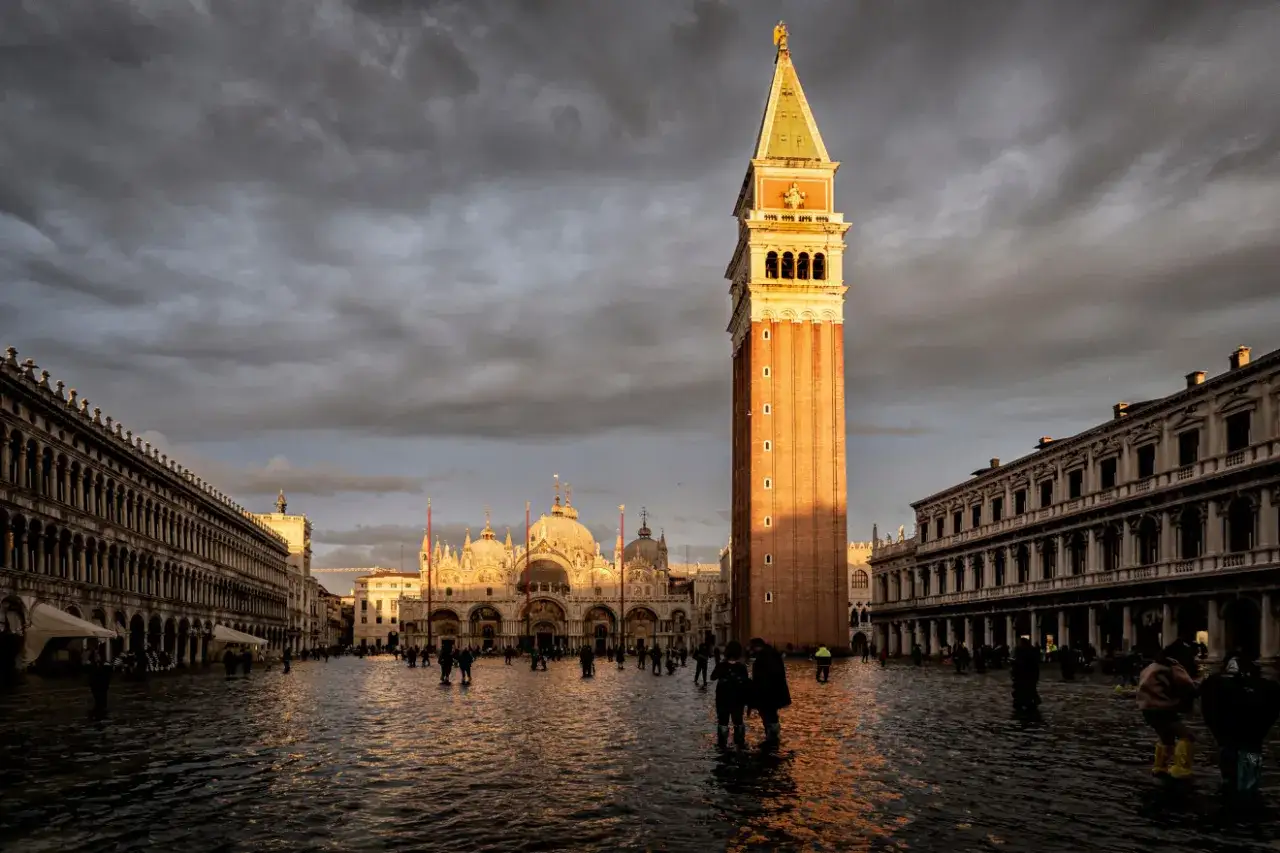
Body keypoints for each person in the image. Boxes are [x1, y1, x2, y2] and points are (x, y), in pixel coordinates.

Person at [1200, 653, 1280, 796]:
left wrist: (1218, 734)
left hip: (1231, 736)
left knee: (1230, 771)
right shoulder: (1267, 686)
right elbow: (1273, 710)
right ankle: (1245, 793)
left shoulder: (1215, 683)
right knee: (1248, 781)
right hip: (1250, 737)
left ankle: (1231, 790)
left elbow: (1208, 709)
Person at [1137, 642, 1199, 778]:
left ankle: (1160, 767)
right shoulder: (1173, 666)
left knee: (1166, 738)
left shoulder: (1152, 666)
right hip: (1163, 708)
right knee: (1187, 736)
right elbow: (1188, 685)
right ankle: (1181, 769)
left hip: (1147, 709)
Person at [747, 637, 791, 747]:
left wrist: (754, 697)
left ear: (756, 647)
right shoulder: (774, 654)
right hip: (777, 692)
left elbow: (759, 679)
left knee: (766, 715)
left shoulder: (762, 659)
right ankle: (774, 736)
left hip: (765, 693)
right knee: (772, 714)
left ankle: (771, 738)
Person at [711, 640, 750, 748]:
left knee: (723, 721)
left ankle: (722, 744)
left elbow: (713, 677)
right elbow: (746, 684)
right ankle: (739, 743)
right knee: (738, 721)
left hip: (723, 698)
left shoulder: (721, 665)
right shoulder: (741, 667)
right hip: (738, 699)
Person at [1011, 636, 1041, 713]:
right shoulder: (1031, 650)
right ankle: (1029, 703)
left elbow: (1019, 664)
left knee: (1023, 690)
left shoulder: (1020, 651)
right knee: (1029, 690)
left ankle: (1024, 704)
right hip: (1029, 676)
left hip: (1023, 675)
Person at [87, 644, 112, 719]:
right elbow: (89, 674)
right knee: (97, 698)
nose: (97, 657)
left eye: (98, 655)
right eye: (95, 655)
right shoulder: (91, 665)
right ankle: (98, 709)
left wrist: (106, 684)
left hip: (103, 684)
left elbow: (108, 675)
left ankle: (102, 710)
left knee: (103, 698)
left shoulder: (105, 664)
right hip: (95, 684)